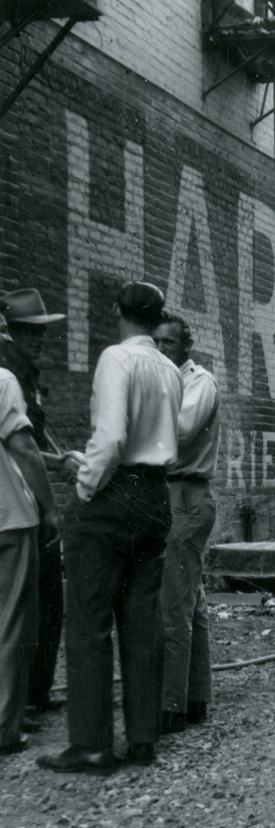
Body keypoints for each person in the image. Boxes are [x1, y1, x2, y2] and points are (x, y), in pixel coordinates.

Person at [38, 282, 181, 776]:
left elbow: (113, 436)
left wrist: (84, 487)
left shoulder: (116, 358)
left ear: (119, 312)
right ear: (157, 318)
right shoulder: (169, 367)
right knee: (141, 619)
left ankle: (92, 745)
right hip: (155, 495)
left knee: (89, 620)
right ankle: (143, 738)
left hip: (113, 495)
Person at [0, 289, 77, 720]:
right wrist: (54, 479)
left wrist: (57, 460)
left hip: (24, 502)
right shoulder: (8, 378)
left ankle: (35, 694)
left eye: (41, 332)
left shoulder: (26, 377)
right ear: (8, 335)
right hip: (19, 505)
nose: (39, 340)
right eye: (29, 332)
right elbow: (20, 449)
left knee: (45, 601)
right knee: (29, 609)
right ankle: (23, 700)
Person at [152, 313, 220, 736]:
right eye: (156, 342)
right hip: (173, 494)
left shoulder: (199, 382)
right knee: (191, 600)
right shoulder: (166, 381)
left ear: (186, 347)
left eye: (169, 343)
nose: (161, 350)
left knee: (172, 605)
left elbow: (178, 431)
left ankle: (170, 705)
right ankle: (195, 698)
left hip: (186, 495)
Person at [0, 312, 58, 757]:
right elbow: (22, 448)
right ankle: (6, 726)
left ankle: (18, 710)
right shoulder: (4, 381)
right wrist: (51, 508)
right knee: (13, 623)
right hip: (10, 517)